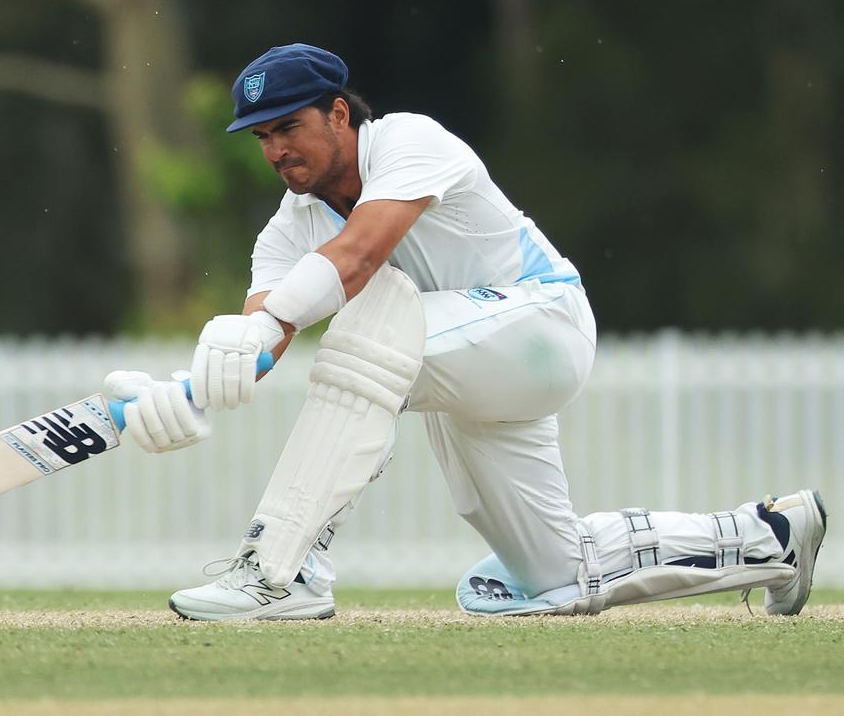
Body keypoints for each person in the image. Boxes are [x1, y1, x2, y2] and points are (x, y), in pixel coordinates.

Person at [104, 43, 827, 621]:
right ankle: (772, 538)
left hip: (541, 326)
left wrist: (260, 324)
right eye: (262, 137)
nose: (274, 151)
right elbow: (261, 341)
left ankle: (281, 572)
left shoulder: (408, 141)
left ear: (338, 116)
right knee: (553, 576)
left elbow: (356, 259)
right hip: (459, 362)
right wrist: (188, 391)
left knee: (363, 331)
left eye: (288, 128)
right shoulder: (287, 230)